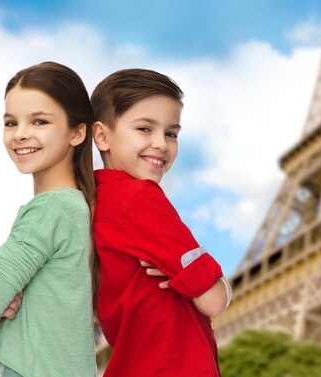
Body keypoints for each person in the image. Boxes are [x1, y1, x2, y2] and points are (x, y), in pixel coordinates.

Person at [0, 61, 97, 377]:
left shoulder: (49, 212)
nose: (20, 134)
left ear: (77, 132)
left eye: (39, 121)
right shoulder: (79, 208)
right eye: (10, 123)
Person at [91, 68, 232, 377]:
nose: (161, 144)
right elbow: (214, 299)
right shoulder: (141, 199)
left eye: (171, 133)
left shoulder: (96, 202)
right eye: (144, 128)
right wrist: (207, 273)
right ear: (101, 135)